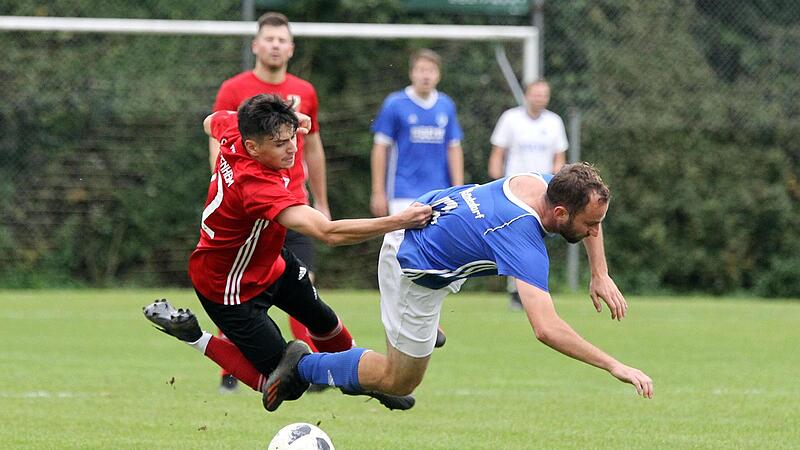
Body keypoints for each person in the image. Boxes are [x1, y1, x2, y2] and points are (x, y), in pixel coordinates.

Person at [263, 163, 653, 412]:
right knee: (399, 380)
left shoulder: (539, 183)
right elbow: (546, 328)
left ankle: (424, 333)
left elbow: (589, 207)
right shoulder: (521, 237)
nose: (594, 231)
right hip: (411, 267)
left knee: (453, 277)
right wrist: (613, 365)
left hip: (434, 232)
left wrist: (600, 273)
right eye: (590, 225)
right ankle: (302, 365)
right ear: (561, 213)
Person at [144, 94, 431, 411]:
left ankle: (375, 381)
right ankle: (192, 335)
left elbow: (209, 121)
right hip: (228, 289)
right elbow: (328, 232)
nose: (293, 148)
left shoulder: (236, 127)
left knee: (325, 323)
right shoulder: (255, 186)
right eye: (280, 144)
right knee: (283, 383)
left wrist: (288, 118)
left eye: (292, 137)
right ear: (253, 147)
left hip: (271, 264)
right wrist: (399, 221)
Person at [210, 12, 330, 390]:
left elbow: (314, 148)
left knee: (304, 285)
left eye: (282, 40)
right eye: (269, 39)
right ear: (255, 46)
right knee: (239, 287)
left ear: (291, 48)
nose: (275, 45)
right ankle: (231, 368)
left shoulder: (305, 91)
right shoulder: (234, 88)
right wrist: (226, 191)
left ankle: (312, 368)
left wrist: (322, 201)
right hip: (252, 209)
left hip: (293, 204)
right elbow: (218, 140)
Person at [370, 48, 463, 347]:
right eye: (421, 69)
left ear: (438, 75)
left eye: (431, 70)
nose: (425, 75)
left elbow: (454, 148)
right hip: (403, 193)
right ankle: (399, 315)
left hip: (438, 194)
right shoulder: (395, 104)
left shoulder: (446, 105)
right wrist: (378, 190)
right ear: (412, 73)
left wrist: (458, 188)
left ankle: (428, 318)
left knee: (436, 256)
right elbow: (381, 148)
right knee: (398, 256)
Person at [488, 79, 569, 311]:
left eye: (544, 94)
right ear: (526, 95)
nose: (540, 98)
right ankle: (517, 292)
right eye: (536, 94)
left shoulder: (554, 122)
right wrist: (494, 183)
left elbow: (559, 158)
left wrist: (556, 185)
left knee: (536, 241)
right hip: (514, 193)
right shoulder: (510, 118)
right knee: (516, 240)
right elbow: (498, 153)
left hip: (544, 194)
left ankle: (532, 289)